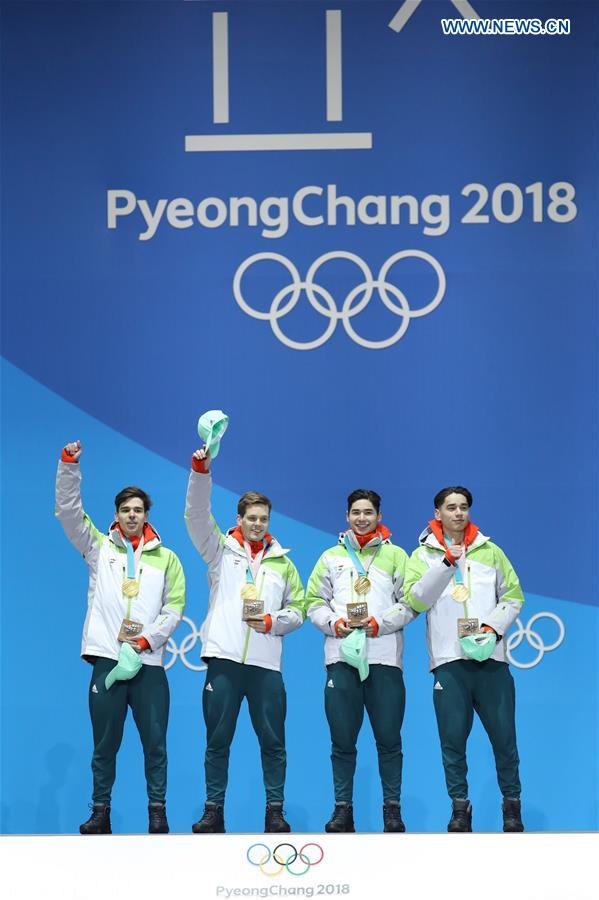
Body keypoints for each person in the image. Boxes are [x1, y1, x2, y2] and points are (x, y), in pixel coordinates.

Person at [55, 440, 186, 835]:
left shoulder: (167, 558)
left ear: (147, 515)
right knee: (104, 746)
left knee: (155, 746)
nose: (132, 515)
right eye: (126, 510)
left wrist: (147, 641)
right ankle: (100, 812)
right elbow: (68, 513)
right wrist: (68, 466)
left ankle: (157, 812)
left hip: (148, 664)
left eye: (138, 510)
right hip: (107, 660)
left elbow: (174, 608)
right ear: (116, 515)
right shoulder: (99, 548)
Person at [185, 445, 305, 834]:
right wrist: (201, 470)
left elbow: (300, 609)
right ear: (239, 519)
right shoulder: (220, 550)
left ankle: (275, 811)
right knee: (217, 740)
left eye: (264, 519)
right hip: (224, 659)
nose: (258, 524)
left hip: (266, 665)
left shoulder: (283, 563)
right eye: (251, 518)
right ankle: (213, 811)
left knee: (274, 742)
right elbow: (197, 515)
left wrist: (273, 620)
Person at [404, 486, 525, 833]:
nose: (458, 513)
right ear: (437, 513)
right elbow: (417, 599)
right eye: (451, 507)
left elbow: (513, 596)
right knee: (453, 740)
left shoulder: (492, 552)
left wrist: (491, 628)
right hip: (449, 659)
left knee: (505, 739)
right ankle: (460, 807)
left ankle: (512, 806)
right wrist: (445, 564)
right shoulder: (422, 555)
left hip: (492, 660)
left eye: (463, 507)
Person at [305, 489, 415, 833]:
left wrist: (380, 623)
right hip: (341, 658)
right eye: (356, 512)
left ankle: (392, 809)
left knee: (389, 738)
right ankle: (343, 809)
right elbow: (312, 601)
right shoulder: (330, 557)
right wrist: (334, 624)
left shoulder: (397, 555)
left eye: (368, 512)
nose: (362, 518)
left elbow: (410, 603)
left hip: (383, 657)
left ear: (379, 516)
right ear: (347, 516)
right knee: (342, 739)